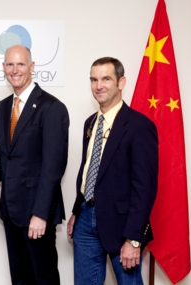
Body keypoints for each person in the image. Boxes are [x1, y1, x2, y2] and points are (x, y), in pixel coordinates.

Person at [66, 57, 158, 284]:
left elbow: (144, 188)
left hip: (122, 226)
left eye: (106, 79)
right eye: (94, 80)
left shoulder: (139, 126)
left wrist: (134, 239)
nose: (99, 86)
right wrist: (77, 211)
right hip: (86, 219)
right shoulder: (90, 123)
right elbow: (88, 169)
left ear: (121, 82)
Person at [0, 45, 70, 284]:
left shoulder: (52, 108)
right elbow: (3, 154)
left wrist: (40, 214)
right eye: (10, 64)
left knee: (43, 278)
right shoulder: (3, 107)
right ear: (3, 68)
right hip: (11, 212)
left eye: (21, 64)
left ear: (32, 67)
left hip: (36, 213)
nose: (15, 70)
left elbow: (54, 167)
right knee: (19, 279)